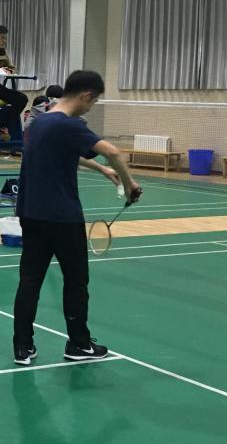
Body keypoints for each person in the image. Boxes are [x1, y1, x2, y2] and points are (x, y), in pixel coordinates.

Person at [11, 70, 142, 366]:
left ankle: (22, 346)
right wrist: (129, 184)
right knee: (76, 281)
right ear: (85, 96)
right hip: (62, 217)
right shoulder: (68, 124)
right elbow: (113, 152)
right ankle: (79, 344)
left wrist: (102, 170)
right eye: (93, 102)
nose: (90, 108)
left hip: (31, 212)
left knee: (29, 281)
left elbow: (69, 152)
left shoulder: (40, 121)